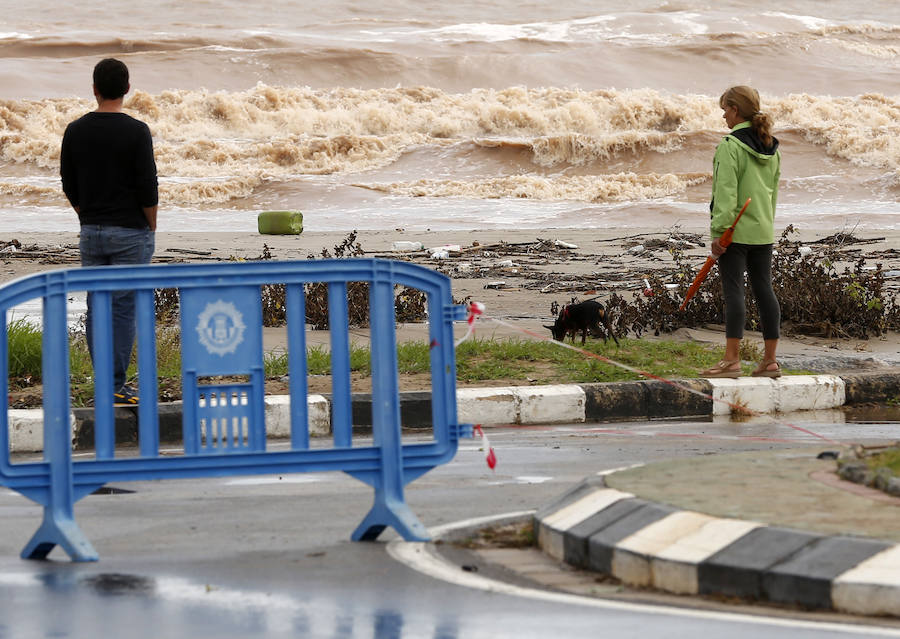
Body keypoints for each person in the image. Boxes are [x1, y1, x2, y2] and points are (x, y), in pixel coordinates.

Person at [60, 58, 158, 404]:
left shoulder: (75, 130)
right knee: (122, 308)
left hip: (91, 230)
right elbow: (148, 187)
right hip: (131, 231)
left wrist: (85, 216)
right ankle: (115, 385)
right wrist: (151, 224)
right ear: (127, 89)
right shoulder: (136, 131)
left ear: (95, 89)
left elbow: (68, 183)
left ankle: (106, 382)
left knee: (96, 306)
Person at [700, 85, 782, 379]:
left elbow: (725, 194)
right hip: (763, 229)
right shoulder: (771, 145)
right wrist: (766, 224)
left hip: (734, 232)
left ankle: (731, 361)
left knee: (733, 291)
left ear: (735, 110)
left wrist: (719, 233)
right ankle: (770, 362)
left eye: (725, 109)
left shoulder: (730, 145)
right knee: (765, 291)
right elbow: (772, 194)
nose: (723, 116)